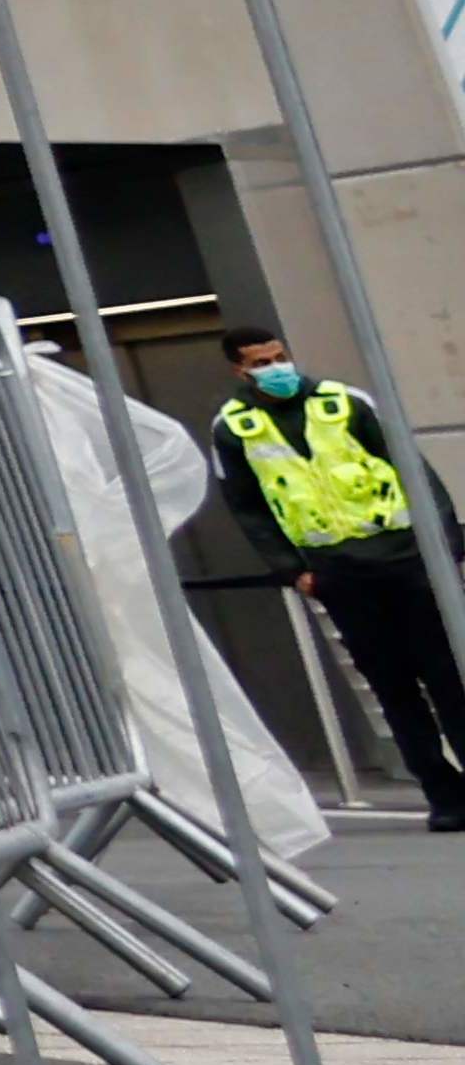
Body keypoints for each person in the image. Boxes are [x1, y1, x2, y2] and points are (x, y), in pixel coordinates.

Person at [212, 328, 465, 826]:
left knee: (449, 679)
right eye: (262, 362)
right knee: (394, 690)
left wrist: (444, 542)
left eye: (281, 356)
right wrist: (292, 569)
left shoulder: (343, 401)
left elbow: (413, 469)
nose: (277, 367)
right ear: (239, 371)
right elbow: (247, 507)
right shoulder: (232, 427)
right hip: (339, 573)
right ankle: (447, 799)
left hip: (406, 559)